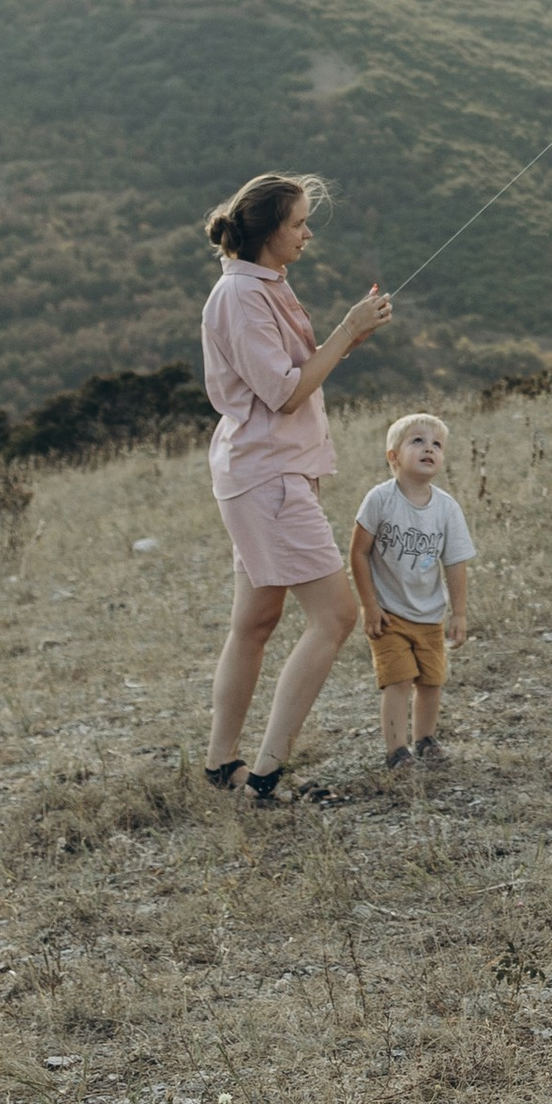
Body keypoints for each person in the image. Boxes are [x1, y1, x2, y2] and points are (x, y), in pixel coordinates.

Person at [199, 171, 393, 802]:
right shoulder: (239, 297)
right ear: (267, 232)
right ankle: (264, 777)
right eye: (300, 223)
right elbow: (283, 394)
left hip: (268, 472)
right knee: (336, 616)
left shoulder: (263, 286)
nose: (309, 233)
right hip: (267, 475)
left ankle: (222, 766)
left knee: (255, 621)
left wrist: (348, 338)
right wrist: (343, 330)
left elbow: (291, 375)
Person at [350, 414, 475, 773]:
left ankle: (425, 739)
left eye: (436, 444)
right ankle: (396, 750)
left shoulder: (447, 508)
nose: (429, 449)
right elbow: (358, 552)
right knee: (398, 679)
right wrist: (369, 605)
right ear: (393, 456)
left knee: (432, 680)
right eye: (417, 441)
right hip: (389, 613)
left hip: (430, 615)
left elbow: (455, 563)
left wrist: (460, 614)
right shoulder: (380, 499)